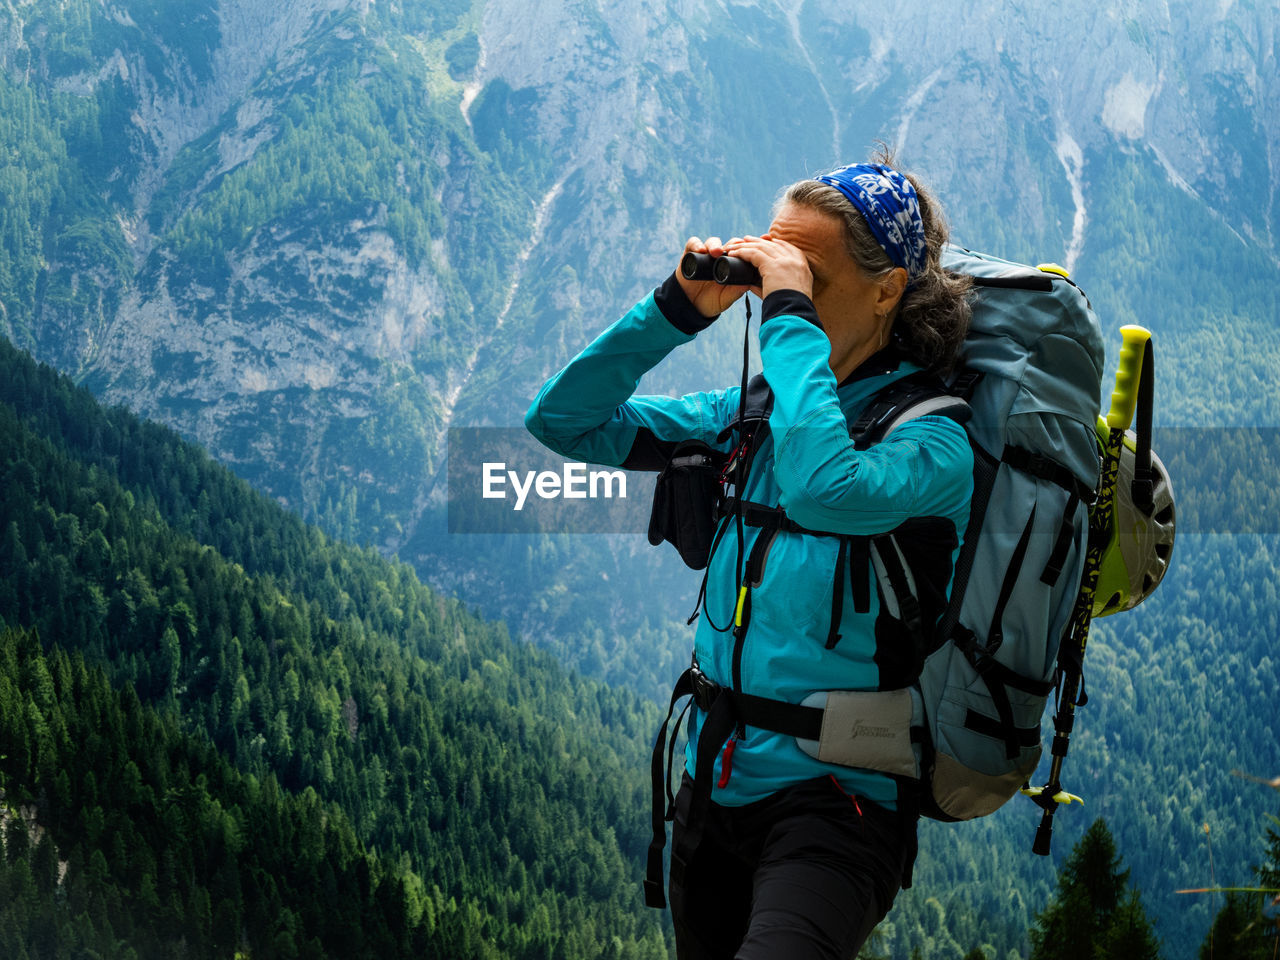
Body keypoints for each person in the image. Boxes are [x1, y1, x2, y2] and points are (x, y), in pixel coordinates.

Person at [525, 150, 974, 959]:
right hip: (711, 783)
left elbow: (821, 488)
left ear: (887, 290)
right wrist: (675, 309)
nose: (776, 294)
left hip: (839, 805)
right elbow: (562, 420)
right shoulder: (747, 415)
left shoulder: (935, 440)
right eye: (773, 268)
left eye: (808, 277)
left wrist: (790, 319)